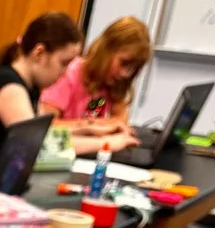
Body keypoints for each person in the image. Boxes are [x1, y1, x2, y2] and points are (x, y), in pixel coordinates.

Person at [0, 11, 82, 167]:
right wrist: (105, 143)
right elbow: (38, 147)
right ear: (39, 52)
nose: (66, 72)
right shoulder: (9, 86)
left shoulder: (31, 87)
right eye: (64, 63)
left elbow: (47, 135)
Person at [39, 16, 147, 154]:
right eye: (124, 63)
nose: (125, 74)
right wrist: (93, 125)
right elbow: (46, 125)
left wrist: (105, 126)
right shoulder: (69, 74)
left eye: (133, 68)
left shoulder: (112, 82)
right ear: (106, 50)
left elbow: (120, 120)